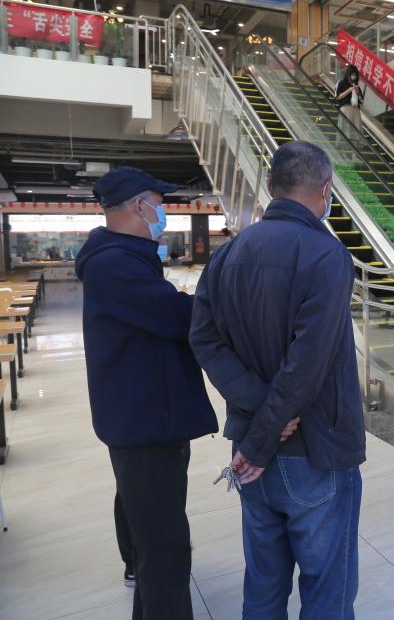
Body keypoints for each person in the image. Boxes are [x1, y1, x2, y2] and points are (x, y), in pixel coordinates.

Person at [190, 141, 364, 617]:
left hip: (250, 453)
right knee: (327, 591)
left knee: (263, 587)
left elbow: (203, 339)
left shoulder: (228, 255)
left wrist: (256, 423)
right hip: (314, 451)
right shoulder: (327, 256)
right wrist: (268, 433)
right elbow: (307, 365)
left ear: (270, 187)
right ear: (325, 189)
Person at [76, 166, 218, 619]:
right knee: (166, 548)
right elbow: (177, 317)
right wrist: (229, 300)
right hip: (145, 421)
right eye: (160, 204)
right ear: (140, 206)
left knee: (148, 523)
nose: (163, 213)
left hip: (141, 413)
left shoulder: (121, 257)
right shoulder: (115, 264)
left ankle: (139, 579)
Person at [335, 65, 364, 141]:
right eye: (352, 74)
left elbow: (361, 101)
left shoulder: (357, 86)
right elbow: (338, 97)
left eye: (355, 75)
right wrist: (349, 90)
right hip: (346, 109)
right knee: (345, 131)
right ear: (348, 74)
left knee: (356, 133)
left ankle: (354, 146)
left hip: (355, 111)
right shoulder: (341, 83)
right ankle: (343, 145)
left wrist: (357, 92)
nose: (353, 76)